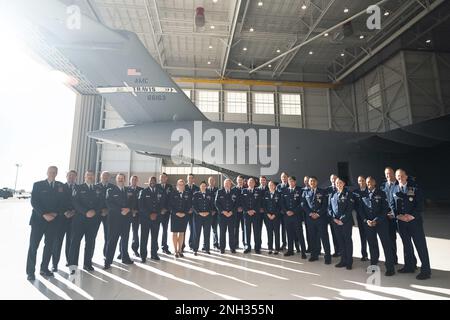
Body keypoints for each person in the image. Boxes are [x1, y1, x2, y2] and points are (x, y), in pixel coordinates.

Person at [390, 169, 431, 280]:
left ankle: (426, 270)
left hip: (414, 222)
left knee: (420, 246)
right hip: (401, 223)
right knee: (407, 245)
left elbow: (420, 204)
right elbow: (392, 204)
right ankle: (410, 266)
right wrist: (398, 216)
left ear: (406, 176)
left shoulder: (415, 187)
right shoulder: (394, 188)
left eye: (402, 176)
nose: (400, 178)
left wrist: (411, 216)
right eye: (398, 176)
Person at [26, 166, 65, 281]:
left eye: (55, 172)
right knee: (33, 246)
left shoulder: (60, 186)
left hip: (54, 220)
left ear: (57, 173)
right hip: (38, 220)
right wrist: (44, 214)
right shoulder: (38, 185)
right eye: (51, 171)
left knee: (49, 246)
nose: (52, 173)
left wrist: (55, 214)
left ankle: (44, 268)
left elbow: (62, 202)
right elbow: (34, 201)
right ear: (47, 172)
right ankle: (30, 272)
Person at [359, 177, 395, 276]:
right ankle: (373, 266)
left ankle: (390, 268)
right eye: (367, 182)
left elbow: (385, 209)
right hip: (369, 224)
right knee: (372, 245)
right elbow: (361, 210)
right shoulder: (363, 194)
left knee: (386, 245)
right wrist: (366, 221)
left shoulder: (381, 193)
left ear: (374, 182)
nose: (368, 183)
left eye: (370, 181)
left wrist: (376, 220)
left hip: (381, 223)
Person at [68, 170, 101, 274]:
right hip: (80, 219)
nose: (90, 177)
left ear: (94, 177)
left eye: (91, 175)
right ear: (84, 176)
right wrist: (86, 212)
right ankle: (73, 266)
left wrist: (94, 211)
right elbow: (75, 202)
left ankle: (87, 263)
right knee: (75, 242)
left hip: (93, 220)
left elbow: (101, 202)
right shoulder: (78, 188)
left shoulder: (98, 189)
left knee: (90, 243)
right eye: (88, 175)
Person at [104, 174, 133, 270]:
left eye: (122, 179)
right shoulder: (110, 190)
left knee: (125, 240)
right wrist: (121, 210)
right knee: (112, 240)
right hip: (114, 220)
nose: (120, 180)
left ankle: (125, 258)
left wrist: (129, 209)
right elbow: (109, 203)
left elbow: (134, 202)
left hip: (126, 219)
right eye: (119, 179)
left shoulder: (129, 190)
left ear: (124, 180)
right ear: (116, 180)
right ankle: (108, 261)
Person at [301, 176, 331, 264]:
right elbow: (303, 204)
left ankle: (327, 256)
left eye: (314, 181)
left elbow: (325, 204)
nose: (312, 183)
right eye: (310, 181)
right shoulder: (305, 192)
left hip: (321, 218)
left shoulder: (322, 191)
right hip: (310, 219)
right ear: (308, 183)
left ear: (316, 182)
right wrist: (310, 213)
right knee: (312, 237)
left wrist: (318, 214)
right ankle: (314, 255)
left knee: (324, 237)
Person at [51, 170, 77, 272]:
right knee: (57, 242)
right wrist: (65, 211)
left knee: (71, 243)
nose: (71, 177)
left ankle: (70, 263)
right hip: (61, 218)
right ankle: (54, 264)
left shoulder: (78, 188)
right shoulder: (60, 187)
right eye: (69, 175)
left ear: (76, 177)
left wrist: (74, 211)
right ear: (66, 176)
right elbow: (57, 201)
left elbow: (79, 201)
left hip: (74, 219)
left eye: (73, 176)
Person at [328, 178, 354, 270]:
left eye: (340, 182)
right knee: (340, 242)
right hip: (335, 222)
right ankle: (343, 260)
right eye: (336, 183)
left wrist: (342, 219)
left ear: (344, 183)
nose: (338, 184)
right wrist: (334, 219)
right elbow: (329, 209)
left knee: (347, 241)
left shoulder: (348, 194)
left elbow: (350, 208)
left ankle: (349, 262)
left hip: (346, 222)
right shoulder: (332, 194)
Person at [138, 176, 165, 262]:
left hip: (156, 219)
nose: (152, 182)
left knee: (154, 237)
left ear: (156, 182)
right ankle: (143, 255)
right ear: (148, 182)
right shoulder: (143, 191)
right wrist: (149, 214)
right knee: (144, 237)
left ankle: (154, 254)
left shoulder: (160, 192)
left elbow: (162, 205)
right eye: (151, 181)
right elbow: (141, 206)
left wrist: (156, 214)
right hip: (145, 219)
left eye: (154, 181)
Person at [281, 176, 307, 258]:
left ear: (295, 182)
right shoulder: (284, 190)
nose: (291, 182)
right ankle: (290, 250)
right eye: (289, 181)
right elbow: (282, 203)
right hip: (287, 217)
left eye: (292, 181)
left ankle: (303, 252)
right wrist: (286, 211)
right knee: (289, 234)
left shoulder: (300, 190)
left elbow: (302, 203)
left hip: (296, 216)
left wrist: (293, 211)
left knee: (299, 234)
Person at [380, 167, 399, 265]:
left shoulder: (399, 184)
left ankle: (411, 262)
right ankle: (393, 259)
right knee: (391, 239)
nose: (389, 175)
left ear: (394, 174)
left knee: (406, 240)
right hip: (387, 217)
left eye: (390, 173)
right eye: (387, 174)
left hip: (399, 216)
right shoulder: (383, 186)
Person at [169, 179, 192, 258]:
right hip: (175, 216)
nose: (181, 186)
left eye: (182, 185)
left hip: (184, 216)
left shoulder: (187, 194)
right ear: (177, 185)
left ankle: (180, 250)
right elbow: (170, 205)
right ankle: (175, 251)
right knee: (175, 233)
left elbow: (189, 205)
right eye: (179, 184)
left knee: (182, 233)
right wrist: (176, 213)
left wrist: (184, 213)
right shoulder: (173, 193)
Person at [215, 179, 238, 254]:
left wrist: (232, 212)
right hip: (222, 216)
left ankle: (232, 248)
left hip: (232, 216)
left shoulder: (234, 192)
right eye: (226, 183)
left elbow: (236, 203)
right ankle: (222, 248)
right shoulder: (220, 191)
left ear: (231, 184)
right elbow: (216, 203)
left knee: (232, 232)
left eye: (229, 183)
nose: (227, 185)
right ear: (224, 184)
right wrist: (223, 211)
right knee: (222, 233)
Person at [192, 181, 214, 255]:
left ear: (206, 186)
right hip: (198, 217)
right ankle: (195, 249)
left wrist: (208, 212)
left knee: (207, 233)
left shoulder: (209, 194)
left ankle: (207, 248)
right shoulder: (196, 194)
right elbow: (194, 205)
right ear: (200, 186)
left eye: (204, 186)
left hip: (207, 217)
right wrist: (199, 212)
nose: (203, 187)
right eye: (202, 186)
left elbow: (212, 205)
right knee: (196, 233)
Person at [242, 178, 263, 254]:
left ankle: (257, 247)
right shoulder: (244, 191)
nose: (251, 183)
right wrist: (248, 210)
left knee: (256, 231)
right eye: (249, 182)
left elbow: (259, 202)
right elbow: (242, 202)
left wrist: (254, 210)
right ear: (247, 183)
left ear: (254, 183)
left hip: (255, 214)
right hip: (246, 214)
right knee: (247, 231)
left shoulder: (258, 191)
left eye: (252, 182)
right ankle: (247, 246)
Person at [96, 171, 114, 257]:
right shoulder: (96, 187)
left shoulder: (112, 187)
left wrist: (107, 210)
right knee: (92, 236)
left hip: (108, 214)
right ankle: (89, 258)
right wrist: (100, 210)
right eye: (104, 176)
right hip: (97, 214)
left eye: (107, 176)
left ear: (109, 178)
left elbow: (114, 202)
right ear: (100, 177)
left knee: (108, 235)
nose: (105, 177)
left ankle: (106, 254)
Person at [352, 176, 369, 261]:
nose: (361, 182)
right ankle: (364, 254)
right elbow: (353, 205)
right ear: (358, 182)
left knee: (371, 237)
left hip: (370, 217)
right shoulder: (355, 192)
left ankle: (374, 255)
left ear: (365, 182)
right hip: (360, 218)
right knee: (362, 237)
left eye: (363, 180)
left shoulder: (369, 191)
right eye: (359, 181)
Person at [262, 181, 281, 254]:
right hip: (268, 217)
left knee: (276, 233)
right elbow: (264, 205)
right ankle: (270, 248)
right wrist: (268, 214)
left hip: (276, 217)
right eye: (269, 185)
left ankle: (277, 248)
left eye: (272, 185)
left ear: (275, 186)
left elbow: (279, 206)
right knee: (269, 232)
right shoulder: (266, 194)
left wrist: (274, 215)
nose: (270, 186)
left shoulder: (278, 194)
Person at [157, 173, 173, 254]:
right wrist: (159, 210)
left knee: (165, 230)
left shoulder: (170, 187)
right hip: (157, 213)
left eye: (164, 177)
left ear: (166, 178)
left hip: (166, 212)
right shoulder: (156, 186)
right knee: (155, 231)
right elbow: (154, 200)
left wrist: (166, 209)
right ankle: (155, 248)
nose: (162, 178)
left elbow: (171, 199)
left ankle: (164, 247)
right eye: (161, 177)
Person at [325, 174, 341, 257]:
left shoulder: (341, 188)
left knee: (342, 235)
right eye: (332, 179)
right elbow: (326, 204)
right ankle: (336, 250)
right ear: (330, 180)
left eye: (335, 178)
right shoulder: (327, 190)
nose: (333, 180)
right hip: (331, 217)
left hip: (341, 218)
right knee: (334, 234)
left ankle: (343, 251)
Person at [128, 175, 143, 257]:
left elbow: (142, 203)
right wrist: (130, 210)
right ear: (130, 181)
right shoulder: (126, 189)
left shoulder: (141, 190)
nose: (134, 181)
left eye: (135, 180)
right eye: (132, 179)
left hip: (137, 215)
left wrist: (136, 211)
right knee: (124, 233)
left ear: (137, 181)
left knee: (135, 232)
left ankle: (135, 250)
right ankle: (122, 251)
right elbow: (124, 201)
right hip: (127, 214)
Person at [184, 173, 199, 251]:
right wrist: (187, 209)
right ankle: (182, 246)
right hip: (185, 212)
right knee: (183, 229)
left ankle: (192, 245)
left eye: (191, 178)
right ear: (187, 179)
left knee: (193, 229)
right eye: (189, 178)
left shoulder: (197, 188)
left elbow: (197, 200)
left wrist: (192, 208)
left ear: (193, 179)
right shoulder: (184, 187)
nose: (190, 179)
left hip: (193, 212)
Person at [276, 172, 289, 251]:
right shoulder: (278, 186)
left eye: (285, 177)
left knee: (290, 228)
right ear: (281, 178)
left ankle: (295, 245)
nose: (283, 178)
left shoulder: (290, 185)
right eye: (282, 177)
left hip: (288, 211)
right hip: (280, 212)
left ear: (287, 178)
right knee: (282, 229)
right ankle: (284, 243)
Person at [206, 176, 219, 251]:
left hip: (215, 213)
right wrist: (209, 211)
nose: (211, 182)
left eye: (213, 180)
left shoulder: (218, 190)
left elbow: (217, 202)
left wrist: (214, 210)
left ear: (215, 182)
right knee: (206, 230)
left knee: (215, 230)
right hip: (207, 213)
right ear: (208, 182)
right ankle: (206, 245)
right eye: (210, 180)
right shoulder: (205, 189)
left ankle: (216, 244)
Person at [233, 175, 245, 249]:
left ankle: (245, 243)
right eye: (238, 180)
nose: (240, 181)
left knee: (245, 228)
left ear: (243, 181)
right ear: (236, 181)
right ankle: (235, 244)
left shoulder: (246, 189)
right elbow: (232, 201)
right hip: (235, 212)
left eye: (241, 180)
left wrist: (243, 208)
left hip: (244, 212)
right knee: (235, 228)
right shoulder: (233, 189)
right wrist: (236, 208)